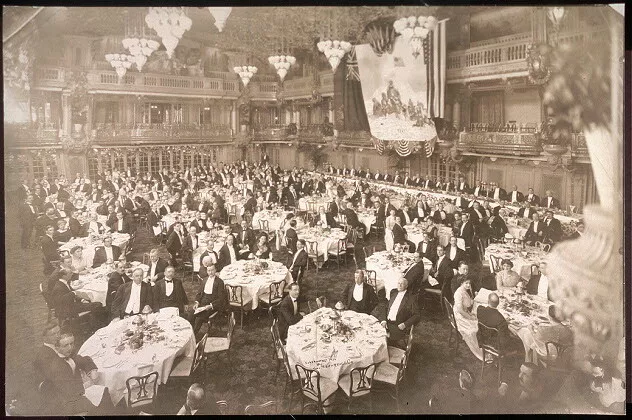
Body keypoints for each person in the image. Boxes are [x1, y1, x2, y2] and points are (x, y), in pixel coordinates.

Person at [38, 329, 113, 415]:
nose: (70, 347)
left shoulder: (68, 355)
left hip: (76, 393)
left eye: (71, 343)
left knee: (105, 391)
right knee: (101, 399)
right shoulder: (57, 366)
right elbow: (68, 392)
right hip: (67, 403)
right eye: (65, 345)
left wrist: (92, 369)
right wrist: (87, 386)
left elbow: (84, 359)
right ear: (57, 348)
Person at [381, 276, 420, 348]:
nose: (399, 285)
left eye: (402, 284)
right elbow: (386, 308)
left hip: (397, 326)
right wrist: (383, 320)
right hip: (386, 323)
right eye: (398, 283)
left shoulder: (411, 298)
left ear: (406, 286)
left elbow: (417, 315)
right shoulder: (393, 292)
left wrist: (405, 324)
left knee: (384, 343)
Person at [190, 264, 227, 335]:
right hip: (202, 303)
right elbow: (199, 293)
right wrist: (197, 302)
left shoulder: (219, 282)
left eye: (212, 270)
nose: (211, 272)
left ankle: (194, 335)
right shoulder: (204, 280)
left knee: (199, 318)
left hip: (213, 305)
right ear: (207, 271)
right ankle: (190, 333)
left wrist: (211, 305)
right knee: (191, 314)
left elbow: (221, 298)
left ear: (215, 270)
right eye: (209, 270)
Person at [452, 277, 483, 360]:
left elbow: (467, 303)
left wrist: (474, 298)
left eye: (469, 283)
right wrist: (470, 317)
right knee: (473, 326)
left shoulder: (464, 290)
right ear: (461, 283)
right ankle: (477, 349)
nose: (468, 285)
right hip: (460, 315)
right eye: (466, 283)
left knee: (477, 318)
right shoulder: (458, 293)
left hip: (464, 311)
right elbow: (460, 310)